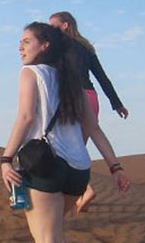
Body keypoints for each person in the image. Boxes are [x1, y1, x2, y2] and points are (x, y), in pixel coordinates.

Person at [0, 22, 132, 243]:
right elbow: (94, 129)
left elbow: (27, 117)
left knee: (45, 242)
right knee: (55, 231)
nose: (20, 47)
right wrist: (115, 167)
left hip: (45, 166)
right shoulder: (72, 80)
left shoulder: (30, 74)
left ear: (45, 45)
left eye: (26, 41)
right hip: (78, 169)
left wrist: (6, 157)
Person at [48, 11, 129, 213]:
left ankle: (84, 190)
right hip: (91, 98)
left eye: (54, 25)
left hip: (71, 97)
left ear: (65, 25)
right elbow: (103, 78)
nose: (50, 29)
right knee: (79, 148)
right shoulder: (86, 48)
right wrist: (116, 103)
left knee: (67, 150)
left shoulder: (59, 47)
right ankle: (81, 191)